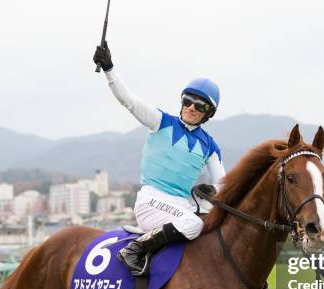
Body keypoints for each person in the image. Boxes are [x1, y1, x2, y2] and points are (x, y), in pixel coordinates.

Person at [93, 42, 226, 275]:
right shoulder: (160, 121)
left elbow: (225, 185)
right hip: (152, 202)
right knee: (194, 224)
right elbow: (129, 101)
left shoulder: (210, 146)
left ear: (208, 114)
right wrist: (109, 68)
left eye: (200, 105)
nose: (191, 108)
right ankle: (134, 250)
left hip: (182, 206)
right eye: (187, 101)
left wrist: (212, 189)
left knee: (214, 223)